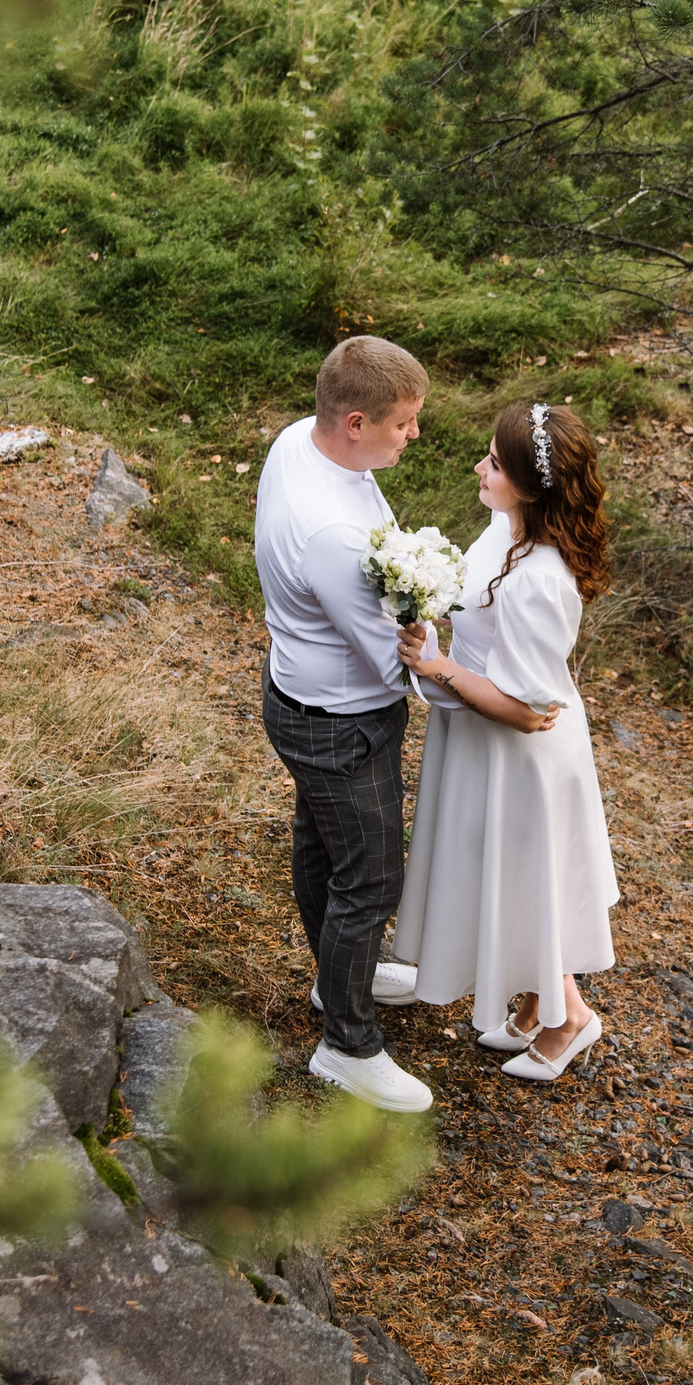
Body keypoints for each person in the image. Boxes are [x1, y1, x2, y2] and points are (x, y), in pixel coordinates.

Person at [392, 402, 619, 1082]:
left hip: (520, 757)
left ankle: (567, 1016)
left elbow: (525, 709)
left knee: (526, 879)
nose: (478, 468)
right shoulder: (506, 528)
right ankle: (529, 1001)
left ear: (529, 484)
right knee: (503, 872)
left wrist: (439, 667)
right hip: (481, 739)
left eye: (493, 462)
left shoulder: (539, 582)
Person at [253, 336, 438, 1113]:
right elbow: (388, 656)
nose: (415, 435)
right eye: (404, 424)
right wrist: (450, 674)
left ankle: (341, 978)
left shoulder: (301, 437)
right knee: (369, 877)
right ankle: (348, 1044)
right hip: (341, 721)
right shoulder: (330, 534)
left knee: (321, 847)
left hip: (298, 695)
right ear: (356, 421)